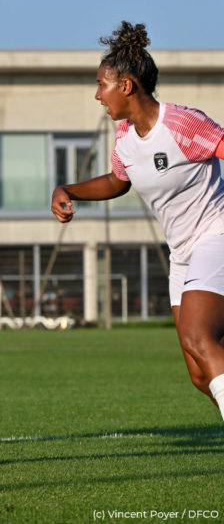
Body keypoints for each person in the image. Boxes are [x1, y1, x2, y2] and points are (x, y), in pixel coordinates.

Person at [51, 21, 224, 421]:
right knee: (199, 374)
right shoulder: (125, 137)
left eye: (102, 85)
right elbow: (118, 181)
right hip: (182, 255)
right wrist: (68, 189)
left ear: (126, 86)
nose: (97, 95)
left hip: (217, 236)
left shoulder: (182, 124)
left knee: (198, 336)